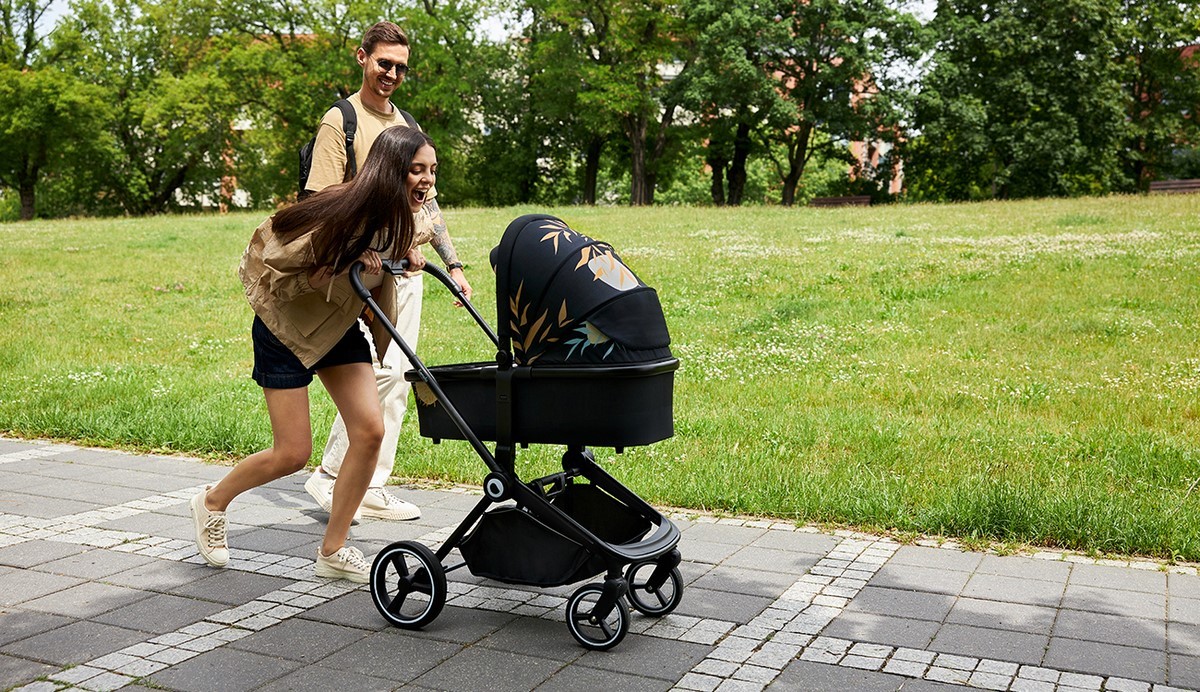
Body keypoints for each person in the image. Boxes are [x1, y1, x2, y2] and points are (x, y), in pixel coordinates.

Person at [190, 126, 441, 582]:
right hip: (285, 328)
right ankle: (212, 501)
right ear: (391, 172)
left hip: (337, 327)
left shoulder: (404, 217)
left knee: (369, 431)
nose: (426, 180)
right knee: (292, 453)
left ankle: (333, 549)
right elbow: (283, 269)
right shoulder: (339, 213)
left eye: (432, 170)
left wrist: (403, 255)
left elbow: (406, 243)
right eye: (416, 170)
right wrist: (347, 260)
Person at [303, 20, 472, 523]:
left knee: (398, 377)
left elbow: (428, 203)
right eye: (384, 63)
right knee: (376, 374)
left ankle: (370, 483)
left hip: (406, 270)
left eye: (401, 67)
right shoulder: (341, 121)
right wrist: (360, 252)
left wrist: (453, 264)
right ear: (362, 57)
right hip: (360, 272)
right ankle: (333, 477)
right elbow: (321, 202)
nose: (392, 74)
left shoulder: (407, 125)